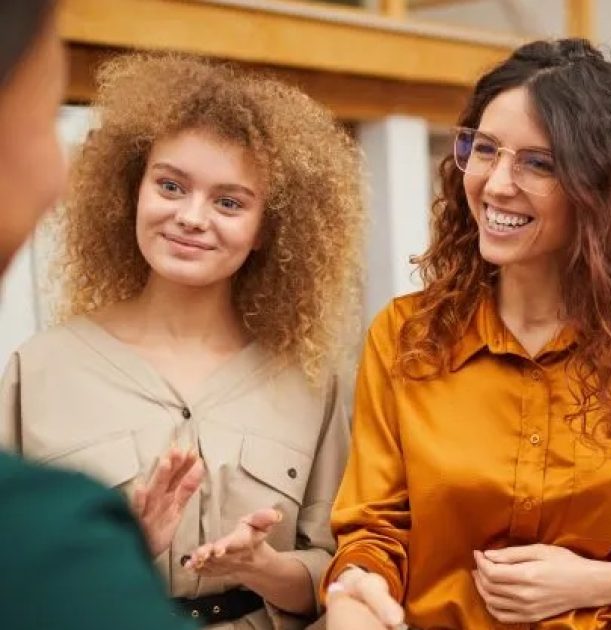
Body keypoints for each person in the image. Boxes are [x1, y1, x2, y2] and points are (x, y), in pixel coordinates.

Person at [321, 38, 611, 629]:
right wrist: (357, 586)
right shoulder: (406, 336)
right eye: (486, 150)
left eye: (537, 163)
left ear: (600, 188)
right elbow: (373, 531)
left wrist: (605, 580)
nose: (496, 184)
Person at [0, 53, 364, 628]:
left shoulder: (312, 381)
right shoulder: (39, 369)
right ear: (131, 189)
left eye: (229, 202)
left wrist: (263, 567)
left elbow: (340, 571)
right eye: (170, 185)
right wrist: (120, 552)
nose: (192, 217)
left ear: (268, 227)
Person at [0, 1, 194, 628]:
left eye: (230, 200)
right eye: (45, 114)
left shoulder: (313, 378)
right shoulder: (46, 539)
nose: (58, 173)